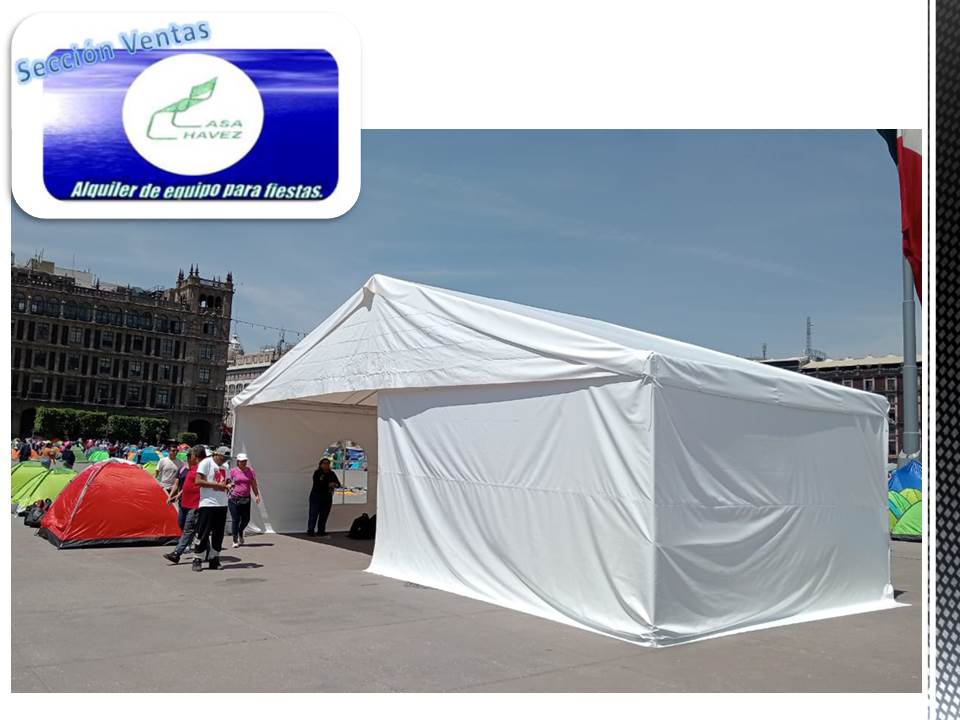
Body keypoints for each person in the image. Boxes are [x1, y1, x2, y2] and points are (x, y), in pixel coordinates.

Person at [191, 446, 231, 571]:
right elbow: (198, 481)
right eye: (223, 458)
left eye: (226, 458)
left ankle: (214, 558)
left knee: (218, 534)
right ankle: (198, 558)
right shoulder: (206, 463)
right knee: (203, 532)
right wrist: (216, 485)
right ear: (216, 454)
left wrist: (230, 485)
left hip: (222, 504)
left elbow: (227, 481)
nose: (224, 460)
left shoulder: (225, 467)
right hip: (208, 503)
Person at [163, 446, 203, 565]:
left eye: (190, 456)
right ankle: (209, 551)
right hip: (184, 502)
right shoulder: (185, 469)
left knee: (188, 529)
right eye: (187, 456)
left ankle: (176, 554)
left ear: (195, 457)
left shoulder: (201, 469)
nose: (188, 458)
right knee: (185, 525)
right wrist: (175, 495)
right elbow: (184, 485)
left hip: (195, 504)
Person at [228, 453, 260, 548]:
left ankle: (240, 531)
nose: (243, 463)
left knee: (246, 519)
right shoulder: (233, 471)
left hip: (246, 498)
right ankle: (235, 539)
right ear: (238, 462)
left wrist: (257, 495)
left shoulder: (250, 471)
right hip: (234, 498)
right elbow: (228, 482)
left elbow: (253, 484)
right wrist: (229, 485)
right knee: (236, 519)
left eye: (245, 461)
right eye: (242, 461)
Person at [308, 457, 340, 537]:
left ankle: (321, 531)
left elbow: (338, 484)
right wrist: (328, 484)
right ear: (320, 465)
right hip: (316, 495)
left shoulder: (332, 473)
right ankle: (310, 530)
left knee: (324, 514)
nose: (326, 465)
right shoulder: (317, 473)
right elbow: (318, 484)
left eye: (328, 464)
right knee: (313, 514)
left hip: (327, 496)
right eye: (324, 463)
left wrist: (335, 484)